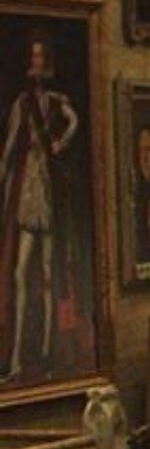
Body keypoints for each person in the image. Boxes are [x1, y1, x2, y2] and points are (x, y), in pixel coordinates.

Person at [0, 36, 79, 379]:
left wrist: (61, 141)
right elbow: (9, 146)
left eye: (40, 56)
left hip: (46, 186)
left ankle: (47, 355)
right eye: (32, 56)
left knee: (47, 275)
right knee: (20, 273)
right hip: (28, 186)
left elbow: (74, 121)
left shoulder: (56, 101)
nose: (36, 62)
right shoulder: (23, 102)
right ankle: (16, 358)